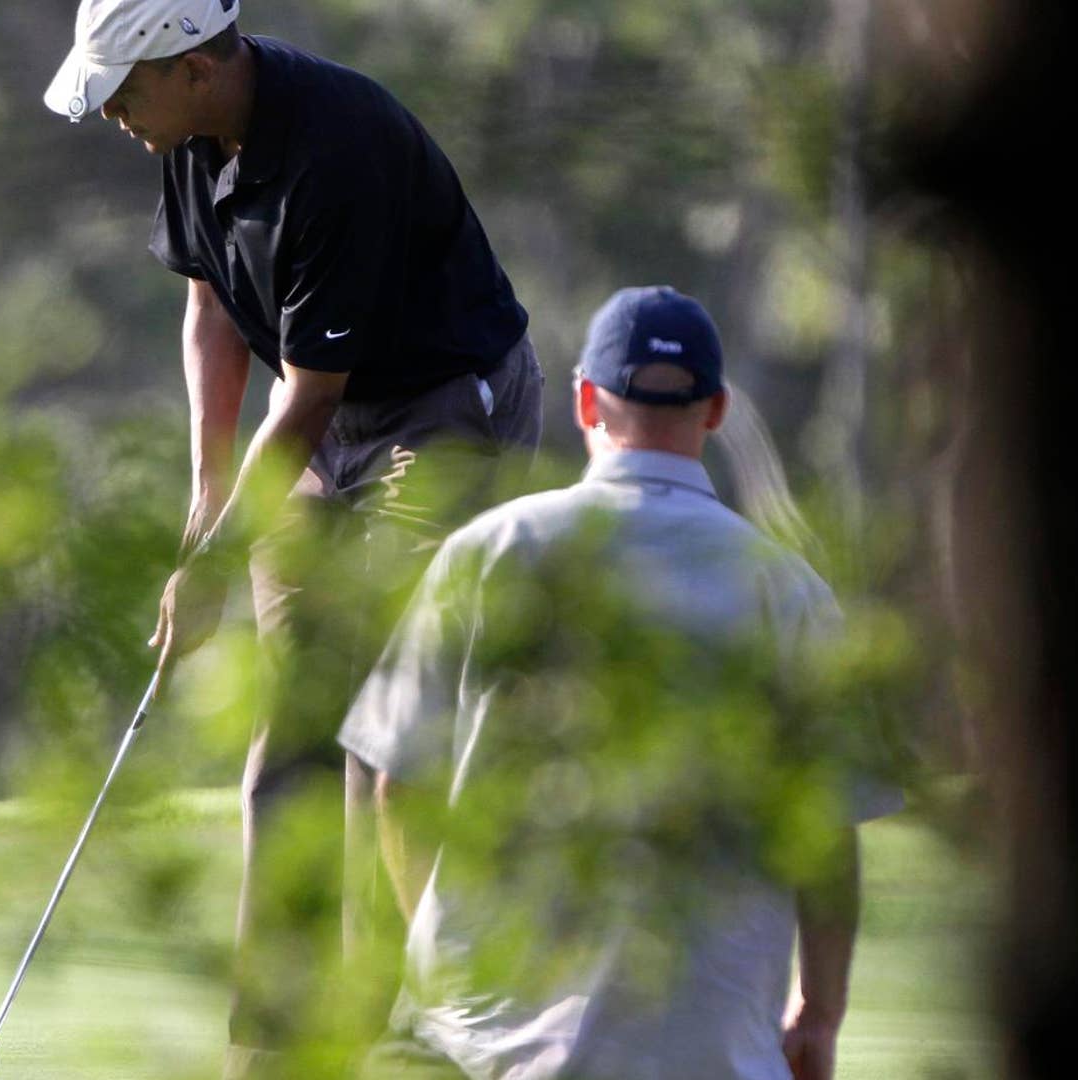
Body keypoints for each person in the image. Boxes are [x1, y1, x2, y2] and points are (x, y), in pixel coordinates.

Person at [43, 1, 544, 1073]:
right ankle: (275, 1043)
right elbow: (214, 313)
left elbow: (312, 394)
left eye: (125, 89)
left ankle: (407, 1024)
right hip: (325, 428)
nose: (116, 114)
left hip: (445, 411)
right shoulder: (183, 137)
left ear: (190, 65)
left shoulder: (337, 147)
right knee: (293, 731)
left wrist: (220, 559)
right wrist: (205, 494)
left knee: (379, 722)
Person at [338, 286, 901, 1080]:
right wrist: (819, 1014)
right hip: (712, 1047)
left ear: (584, 402)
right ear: (714, 411)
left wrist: (434, 967)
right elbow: (828, 837)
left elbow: (398, 782)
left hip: (487, 1044)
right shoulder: (788, 589)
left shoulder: (487, 552)